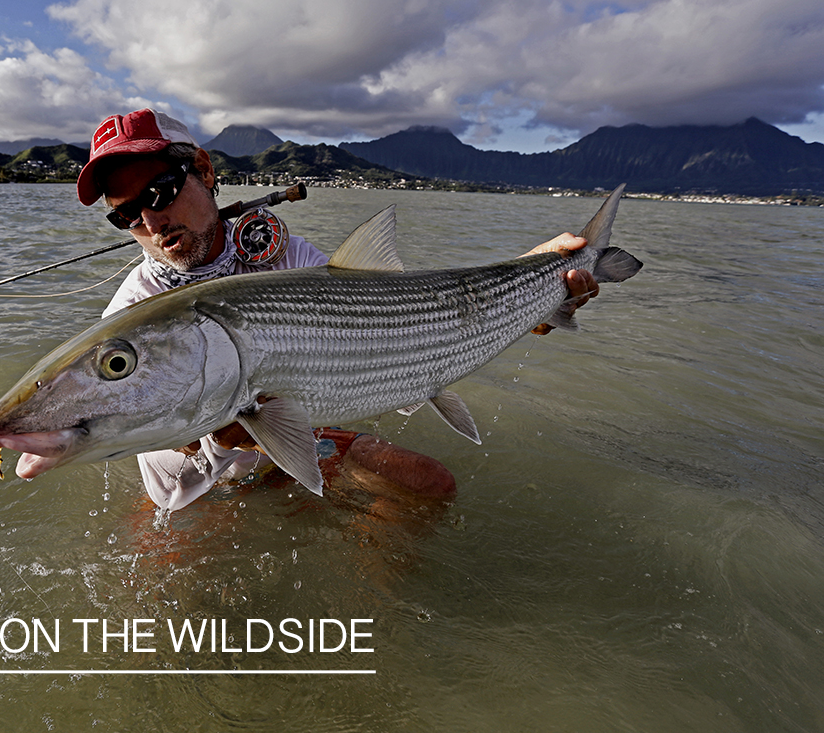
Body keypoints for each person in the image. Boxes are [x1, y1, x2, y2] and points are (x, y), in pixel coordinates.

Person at [77, 108, 600, 511]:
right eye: (127, 216)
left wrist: (532, 289)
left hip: (305, 447)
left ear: (205, 170)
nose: (153, 221)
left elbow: (397, 322)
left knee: (430, 488)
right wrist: (207, 436)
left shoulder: (290, 257)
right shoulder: (133, 316)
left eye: (161, 191)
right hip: (201, 489)